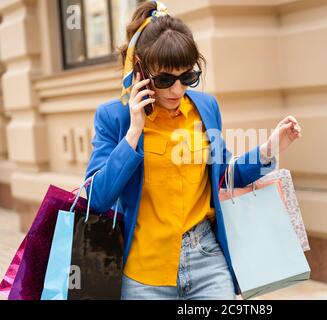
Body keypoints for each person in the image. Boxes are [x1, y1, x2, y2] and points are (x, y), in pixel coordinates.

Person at [84, 0, 302, 300]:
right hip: (144, 273)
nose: (177, 90)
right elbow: (96, 197)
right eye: (165, 79)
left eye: (187, 77)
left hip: (207, 261)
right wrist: (134, 132)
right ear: (140, 71)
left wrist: (269, 148)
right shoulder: (114, 118)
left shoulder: (206, 108)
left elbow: (224, 176)